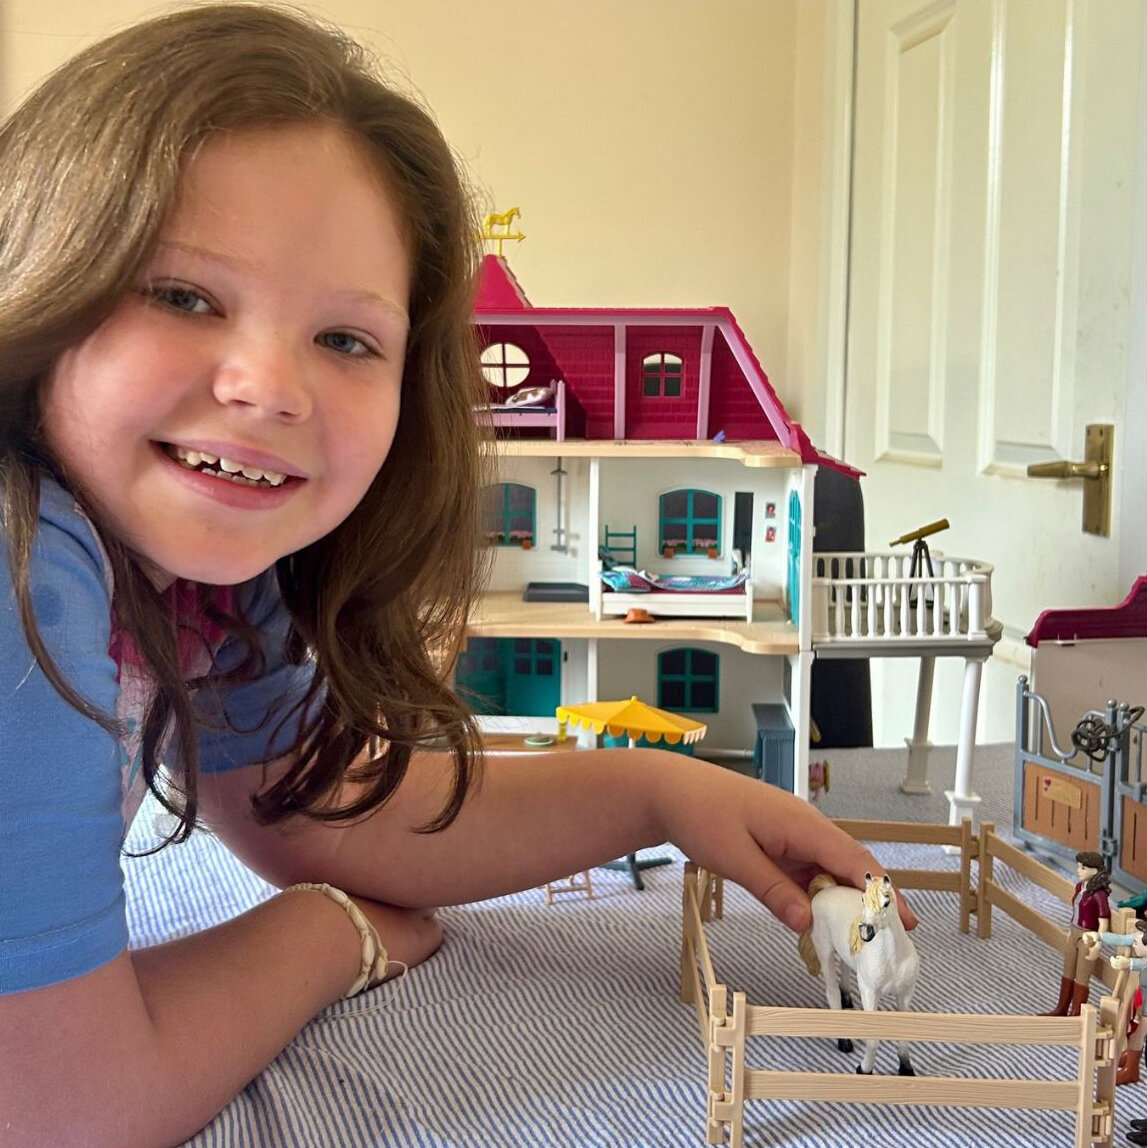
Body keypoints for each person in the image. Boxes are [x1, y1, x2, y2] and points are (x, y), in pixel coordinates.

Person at [0, 6, 915, 1146]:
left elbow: (330, 815)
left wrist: (663, 792)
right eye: (183, 295)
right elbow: (60, 1107)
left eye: (347, 339)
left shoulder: (199, 576)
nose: (270, 386)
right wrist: (331, 933)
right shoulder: (25, 566)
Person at [1042, 850, 1111, 1017]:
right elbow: (1076, 910)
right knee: (1068, 970)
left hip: (1088, 935)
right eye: (1079, 867)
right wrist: (1070, 931)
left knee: (1082, 975)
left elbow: (1103, 922)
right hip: (1074, 931)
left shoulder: (1099, 895)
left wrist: (1097, 944)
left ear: (1095, 870)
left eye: (1083, 868)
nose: (1078, 870)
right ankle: (1061, 1008)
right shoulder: (1080, 887)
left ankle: (1076, 1012)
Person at [1082, 918, 1147, 1091]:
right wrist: (1098, 936)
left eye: (1139, 944)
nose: (1134, 944)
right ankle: (1131, 1058)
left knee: (1138, 1033)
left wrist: (1129, 963)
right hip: (1142, 999)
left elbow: (1143, 963)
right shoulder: (1141, 937)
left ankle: (1132, 1069)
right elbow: (1123, 939)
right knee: (1134, 1030)